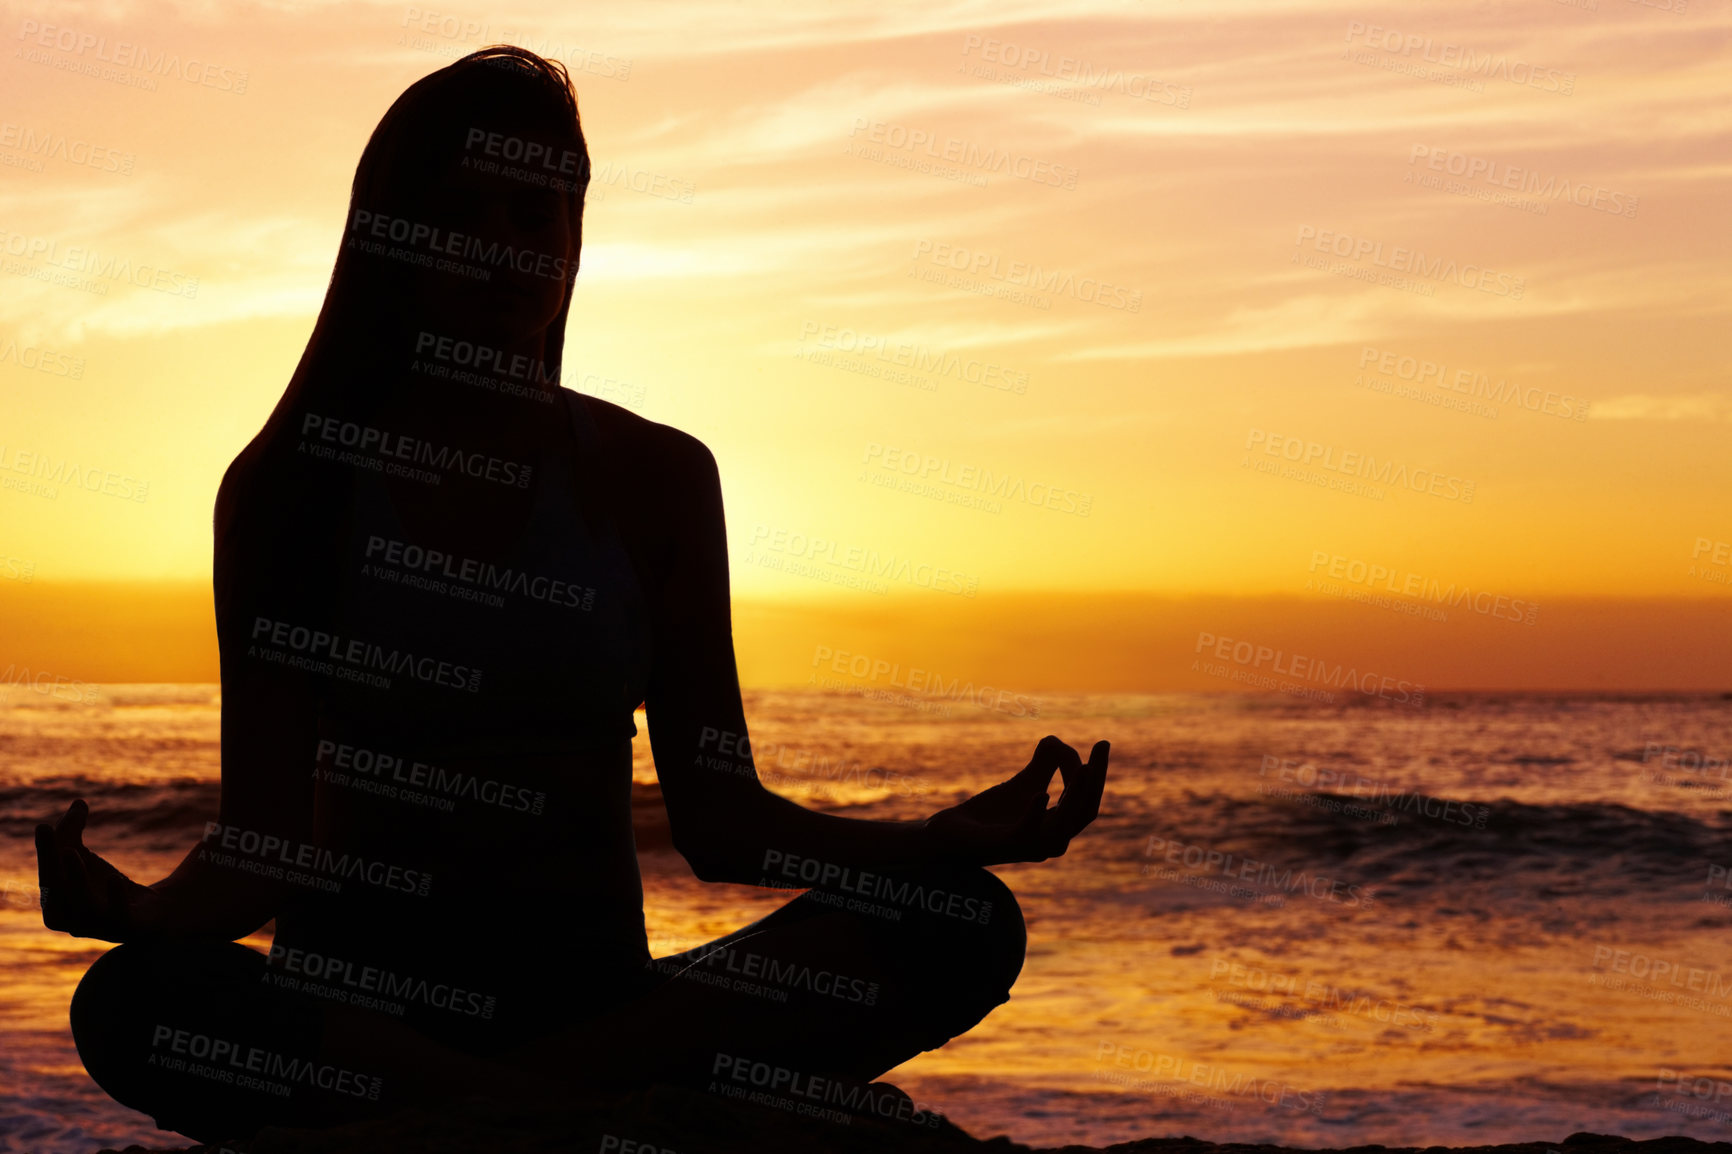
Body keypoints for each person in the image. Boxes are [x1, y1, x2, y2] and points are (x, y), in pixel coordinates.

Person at [34, 45, 1110, 1144]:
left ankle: (509, 1104)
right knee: (132, 1001)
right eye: (461, 216)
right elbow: (260, 847)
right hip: (357, 1017)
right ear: (394, 243)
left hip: (602, 1008)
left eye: (531, 214)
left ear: (573, 239)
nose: (502, 250)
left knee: (962, 922)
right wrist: (134, 909)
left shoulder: (659, 478)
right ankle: (561, 1112)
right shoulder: (288, 489)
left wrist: (935, 840)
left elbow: (720, 820)